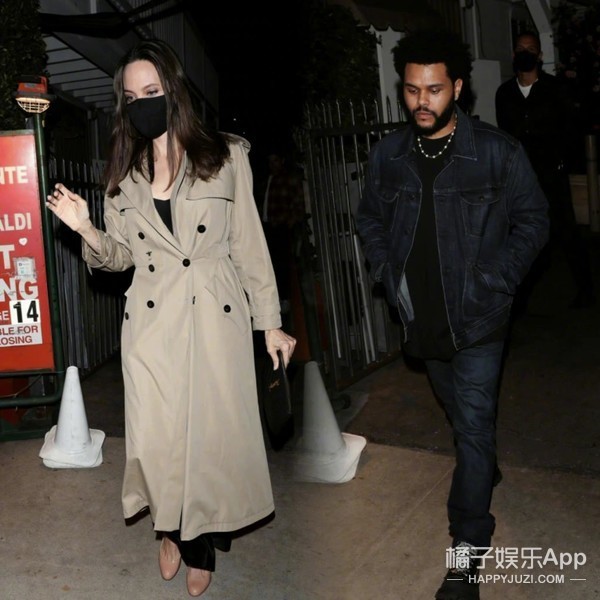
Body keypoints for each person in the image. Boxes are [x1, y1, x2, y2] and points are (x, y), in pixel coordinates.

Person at [46, 39, 296, 597]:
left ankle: (197, 544)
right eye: (132, 97)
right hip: (153, 323)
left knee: (209, 439)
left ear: (174, 90)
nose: (143, 104)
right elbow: (120, 259)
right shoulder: (124, 175)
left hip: (215, 316)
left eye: (152, 91)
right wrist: (85, 228)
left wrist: (270, 322)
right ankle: (168, 526)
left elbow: (249, 245)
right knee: (159, 438)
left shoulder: (225, 156)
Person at [355, 30, 549, 600]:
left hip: (481, 319)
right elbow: (368, 217)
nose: (422, 101)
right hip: (422, 320)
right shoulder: (389, 154)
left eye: (435, 89)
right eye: (412, 89)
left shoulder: (496, 152)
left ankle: (466, 555)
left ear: (458, 87)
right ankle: (481, 463)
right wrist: (386, 269)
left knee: (472, 426)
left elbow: (535, 220)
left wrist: (499, 278)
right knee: (461, 414)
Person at [495, 31, 595, 310]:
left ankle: (586, 290)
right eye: (520, 48)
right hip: (521, 177)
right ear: (513, 54)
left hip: (551, 172)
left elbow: (572, 128)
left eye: (530, 49)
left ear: (539, 55)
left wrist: (562, 159)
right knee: (521, 234)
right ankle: (518, 298)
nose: (525, 53)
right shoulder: (505, 93)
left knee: (566, 230)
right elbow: (506, 136)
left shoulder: (555, 89)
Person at [259, 149, 306, 314]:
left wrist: (290, 221)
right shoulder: (267, 180)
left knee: (282, 263)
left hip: (281, 225)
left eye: (275, 161)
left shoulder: (288, 179)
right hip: (267, 226)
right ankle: (275, 297)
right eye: (270, 162)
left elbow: (298, 203)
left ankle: (285, 298)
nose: (272, 165)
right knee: (270, 263)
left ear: (282, 161)